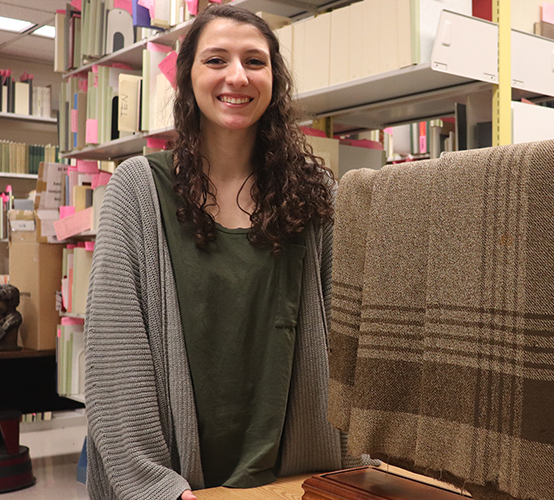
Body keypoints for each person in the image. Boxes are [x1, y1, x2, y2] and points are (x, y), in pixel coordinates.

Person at [84, 5, 367, 500]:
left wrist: (355, 465)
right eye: (216, 60)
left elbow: (348, 342)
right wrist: (155, 487)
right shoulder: (139, 189)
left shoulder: (317, 192)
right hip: (178, 483)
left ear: (274, 80)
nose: (237, 76)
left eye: (254, 61)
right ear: (188, 77)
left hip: (293, 477)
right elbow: (114, 360)